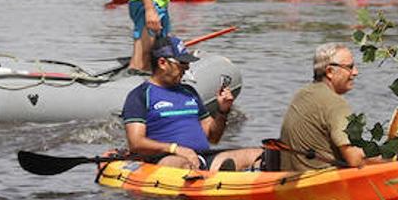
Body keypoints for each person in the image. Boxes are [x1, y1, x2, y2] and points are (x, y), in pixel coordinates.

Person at [121, 36, 261, 171]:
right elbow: (136, 143)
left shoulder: (189, 92)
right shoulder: (139, 96)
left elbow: (213, 138)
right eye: (182, 64)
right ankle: (213, 181)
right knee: (179, 164)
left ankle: (230, 178)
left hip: (202, 158)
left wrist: (223, 111)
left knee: (259, 154)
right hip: (166, 160)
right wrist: (175, 149)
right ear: (162, 63)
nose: (187, 68)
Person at [277, 43, 372, 171]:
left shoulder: (302, 93)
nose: (355, 72)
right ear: (330, 72)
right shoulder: (336, 104)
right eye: (349, 67)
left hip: (290, 177)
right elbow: (355, 160)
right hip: (321, 182)